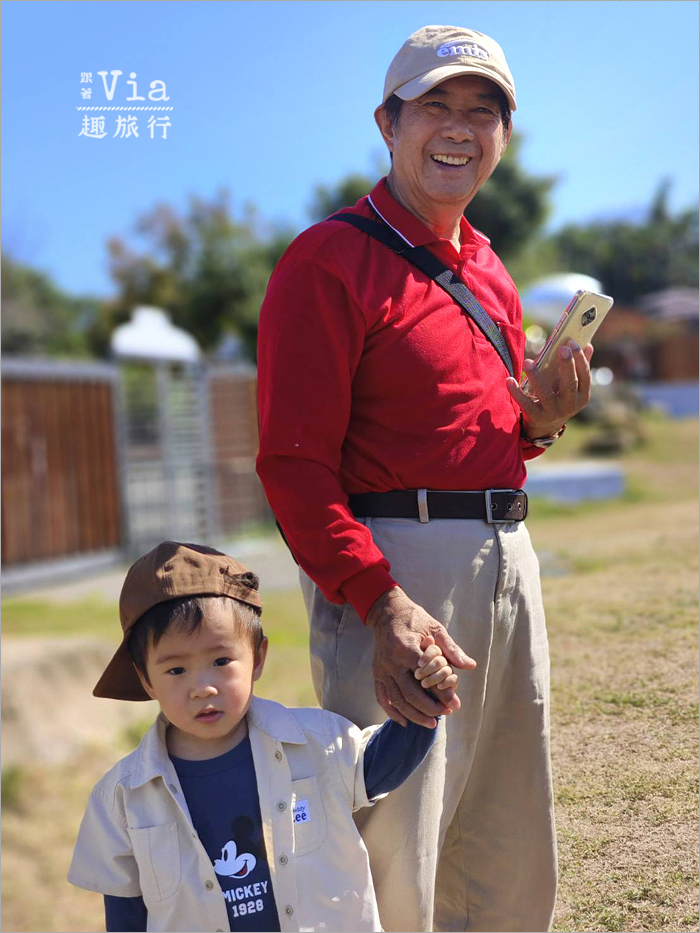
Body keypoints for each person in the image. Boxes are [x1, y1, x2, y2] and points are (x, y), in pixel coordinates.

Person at [256, 24, 595, 933]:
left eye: (481, 111)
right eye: (435, 106)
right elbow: (292, 464)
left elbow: (480, 441)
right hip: (397, 571)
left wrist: (542, 421)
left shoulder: (489, 270)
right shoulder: (325, 260)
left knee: (508, 820)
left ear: (504, 138)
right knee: (394, 839)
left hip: (507, 553)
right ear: (388, 121)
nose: (458, 128)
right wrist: (380, 600)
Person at [67, 541, 456, 933]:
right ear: (144, 678)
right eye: (176, 670)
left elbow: (384, 767)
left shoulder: (316, 742)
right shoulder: (120, 798)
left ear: (258, 657)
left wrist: (424, 692)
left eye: (221, 662)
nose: (202, 687)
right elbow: (125, 916)